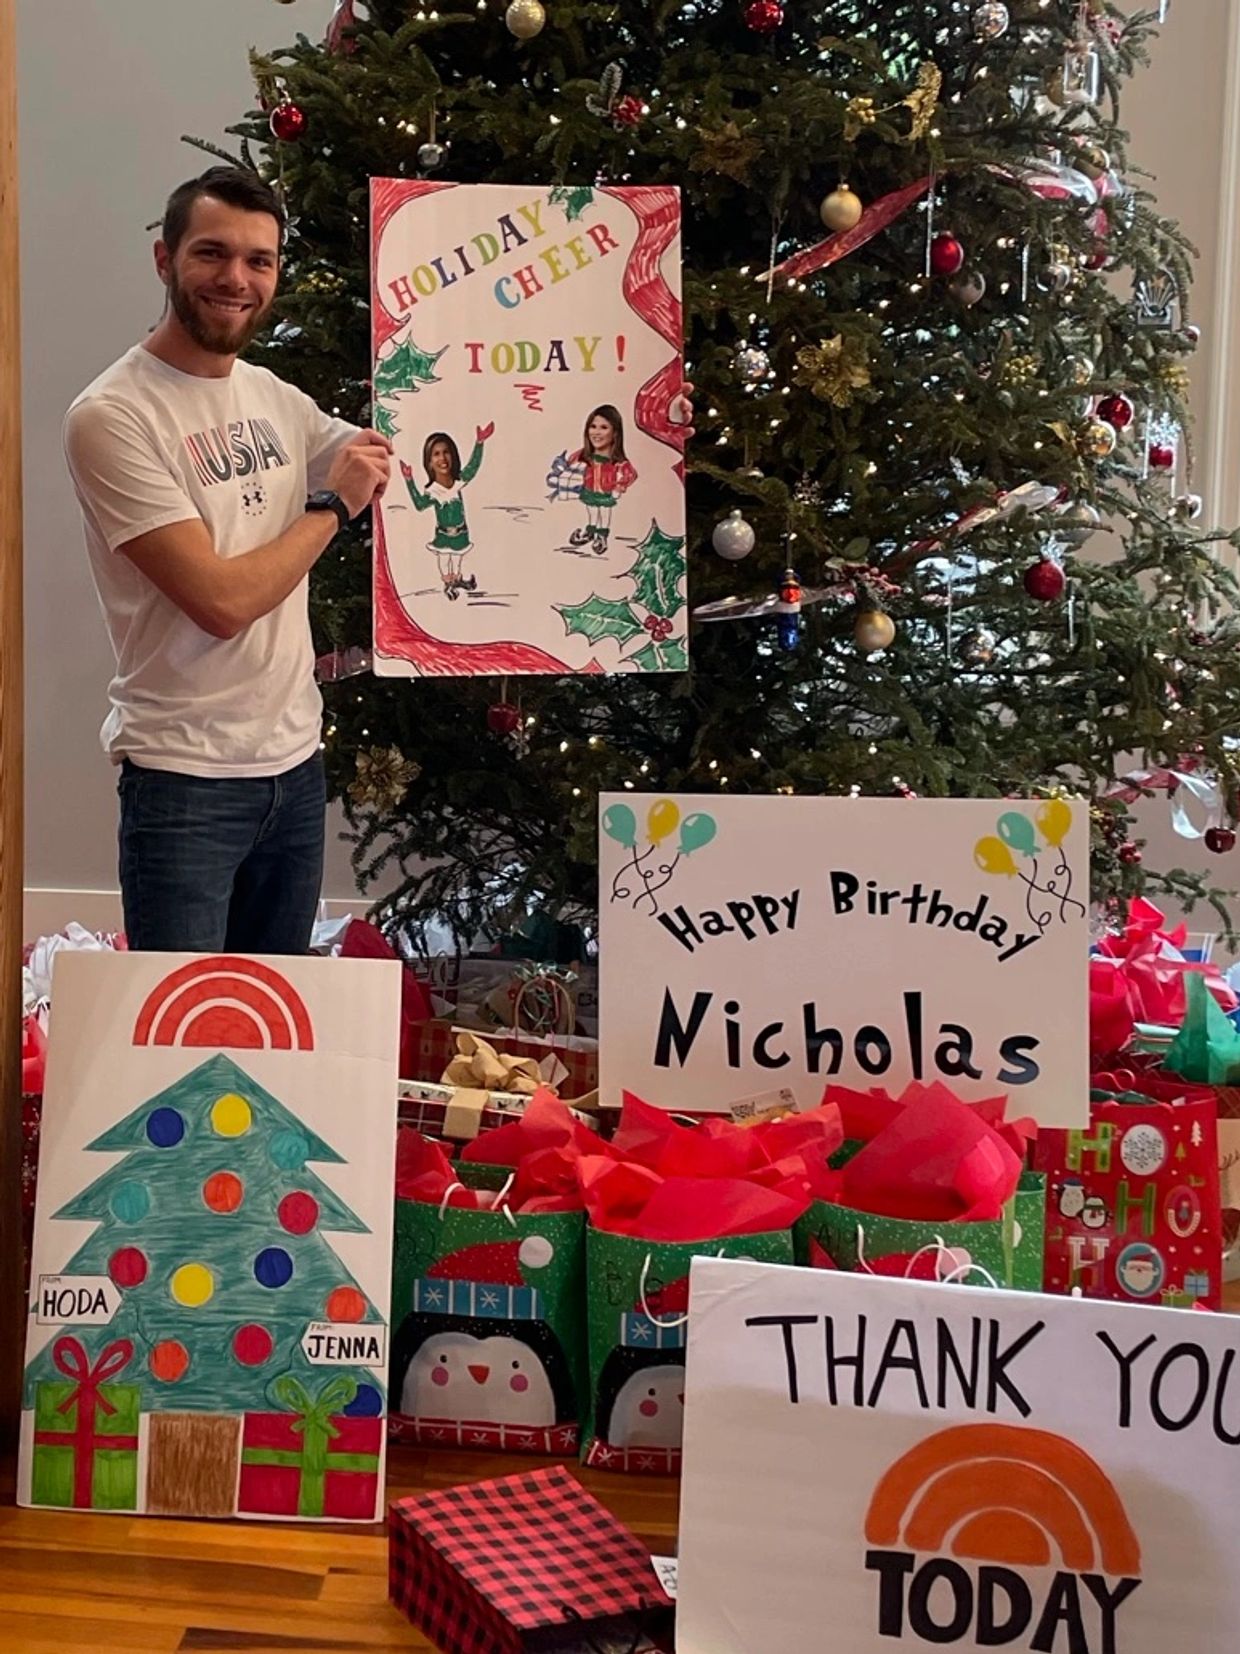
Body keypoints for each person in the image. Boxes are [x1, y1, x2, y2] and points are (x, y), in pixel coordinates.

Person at [63, 166, 391, 955]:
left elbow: (403, 456)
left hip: (295, 768)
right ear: (164, 259)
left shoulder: (274, 398)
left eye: (260, 260)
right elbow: (220, 600)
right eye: (212, 253)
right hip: (184, 781)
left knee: (272, 1034)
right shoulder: (112, 416)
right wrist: (334, 506)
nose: (236, 280)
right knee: (184, 1049)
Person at [399, 422, 494, 598]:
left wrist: (479, 443)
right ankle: (448, 583)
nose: (442, 458)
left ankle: (457, 580)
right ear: (429, 462)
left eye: (446, 452)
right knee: (444, 559)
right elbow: (420, 505)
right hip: (443, 534)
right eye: (436, 454)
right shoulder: (434, 492)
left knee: (457, 558)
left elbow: (473, 467)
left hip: (461, 532)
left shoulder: (458, 482)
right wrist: (409, 480)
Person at [565, 403, 636, 555]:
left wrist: (620, 486)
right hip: (589, 489)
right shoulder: (586, 455)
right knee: (591, 511)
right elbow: (572, 459)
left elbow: (631, 474)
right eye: (593, 426)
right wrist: (568, 465)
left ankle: (602, 536)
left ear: (615, 433)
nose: (596, 432)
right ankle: (590, 532)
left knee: (603, 512)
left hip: (605, 491)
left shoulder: (617, 460)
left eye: (604, 427)